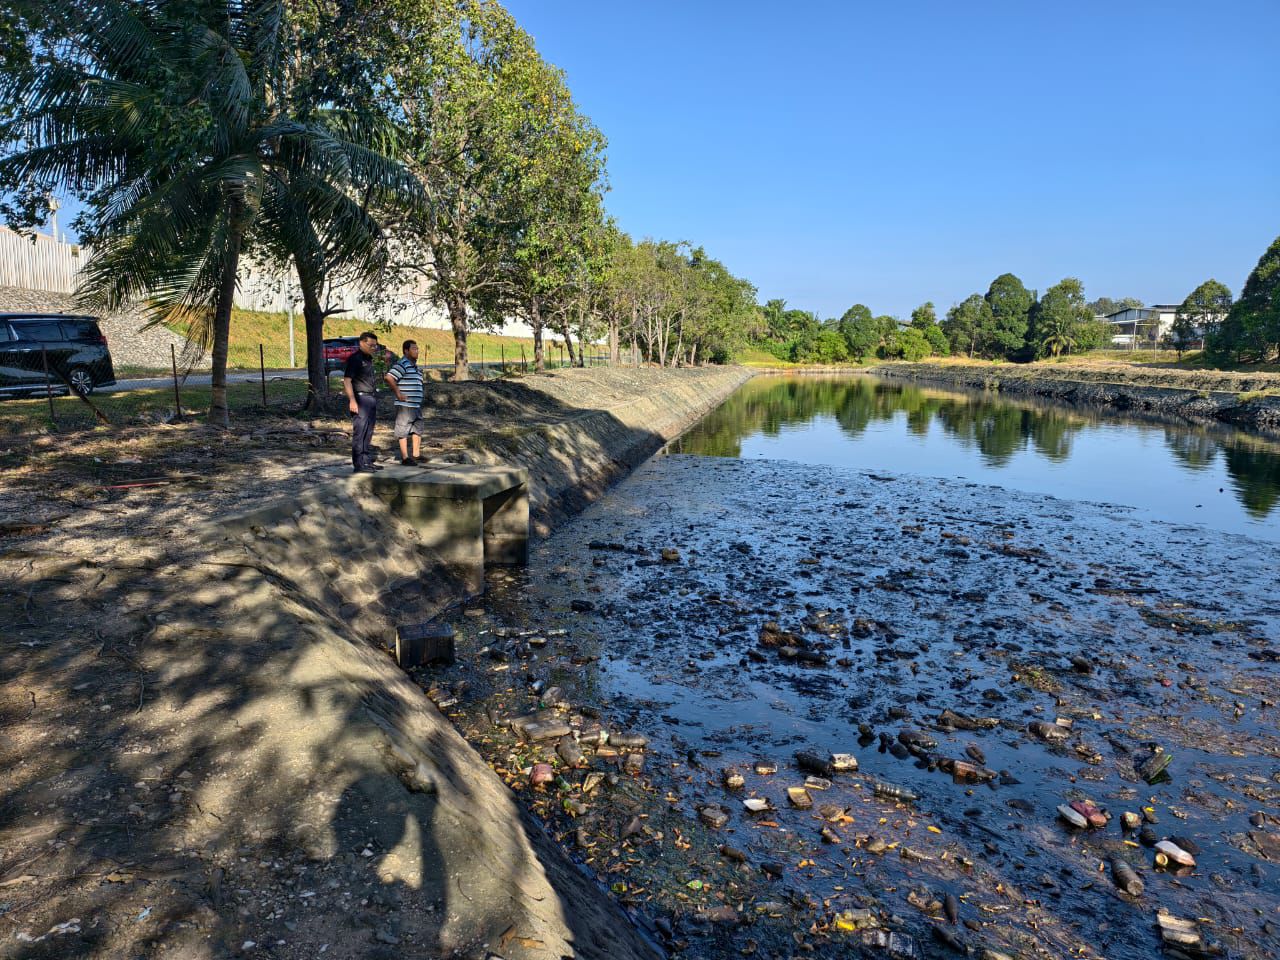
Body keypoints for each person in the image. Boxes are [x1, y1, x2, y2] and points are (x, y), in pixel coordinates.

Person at [342, 331, 382, 473]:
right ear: (361, 343)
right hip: (360, 399)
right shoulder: (355, 359)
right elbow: (347, 381)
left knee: (368, 431)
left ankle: (366, 461)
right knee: (360, 432)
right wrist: (352, 400)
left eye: (375, 346)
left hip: (370, 398)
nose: (373, 348)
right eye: (371, 345)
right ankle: (358, 464)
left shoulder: (369, 359)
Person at [385, 339, 426, 465]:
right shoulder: (402, 364)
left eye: (417, 348)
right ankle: (405, 458)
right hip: (405, 405)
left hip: (416, 405)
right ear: (406, 351)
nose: (417, 351)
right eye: (414, 349)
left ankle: (416, 454)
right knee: (403, 429)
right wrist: (398, 393)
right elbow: (389, 377)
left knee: (417, 429)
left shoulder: (415, 368)